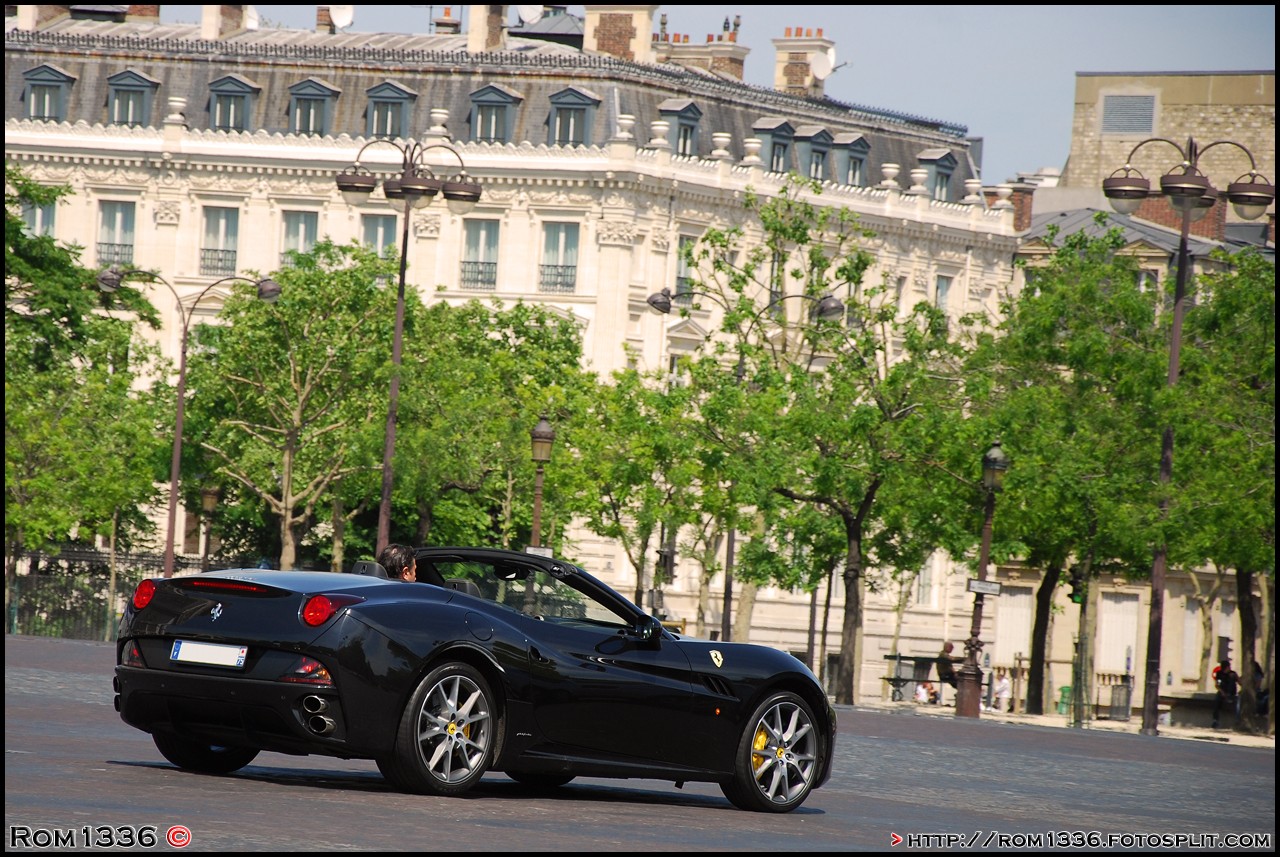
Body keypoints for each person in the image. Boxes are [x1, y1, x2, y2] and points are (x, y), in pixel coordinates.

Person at [1212, 658, 1239, 729]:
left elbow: (1239, 682)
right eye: (1228, 667)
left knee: (1237, 705)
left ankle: (1237, 721)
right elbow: (1217, 685)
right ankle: (1215, 720)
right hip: (1222, 692)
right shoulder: (1219, 674)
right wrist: (1222, 692)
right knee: (1216, 701)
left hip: (1232, 693)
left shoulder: (1233, 674)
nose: (1229, 668)